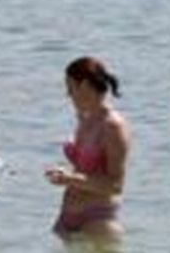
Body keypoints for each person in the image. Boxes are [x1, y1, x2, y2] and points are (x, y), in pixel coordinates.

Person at [46, 57, 131, 241]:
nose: (68, 95)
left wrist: (70, 178)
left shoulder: (113, 126)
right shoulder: (85, 119)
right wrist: (65, 176)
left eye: (70, 88)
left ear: (84, 85)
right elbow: (86, 169)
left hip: (97, 220)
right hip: (67, 218)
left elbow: (115, 186)